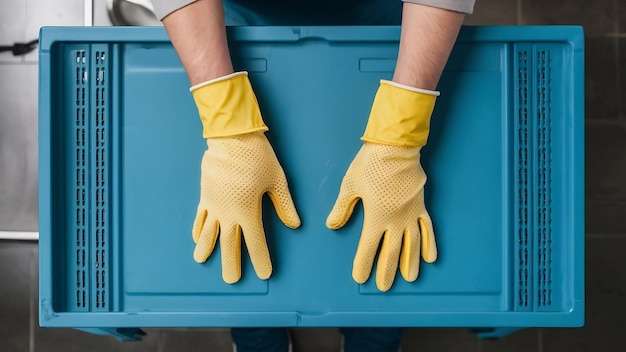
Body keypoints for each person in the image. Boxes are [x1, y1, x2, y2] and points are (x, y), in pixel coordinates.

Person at [151, 0, 473, 351]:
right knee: (240, 227)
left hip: (392, 23)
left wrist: (399, 137)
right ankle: (256, 328)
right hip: (236, 26)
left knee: (386, 231)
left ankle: (374, 329)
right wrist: (229, 128)